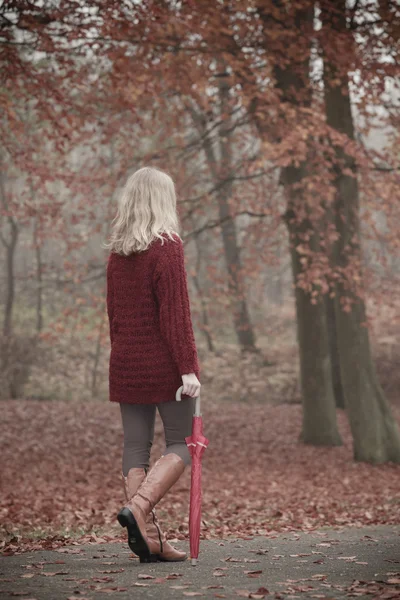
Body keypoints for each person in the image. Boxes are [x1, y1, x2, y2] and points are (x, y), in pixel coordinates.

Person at [104, 166, 201, 563]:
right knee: (183, 443)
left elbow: (114, 316)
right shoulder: (168, 246)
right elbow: (175, 317)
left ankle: (149, 538)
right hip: (163, 363)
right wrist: (188, 368)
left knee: (135, 447)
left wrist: (123, 356)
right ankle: (140, 510)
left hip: (125, 360)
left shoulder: (117, 254)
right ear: (163, 200)